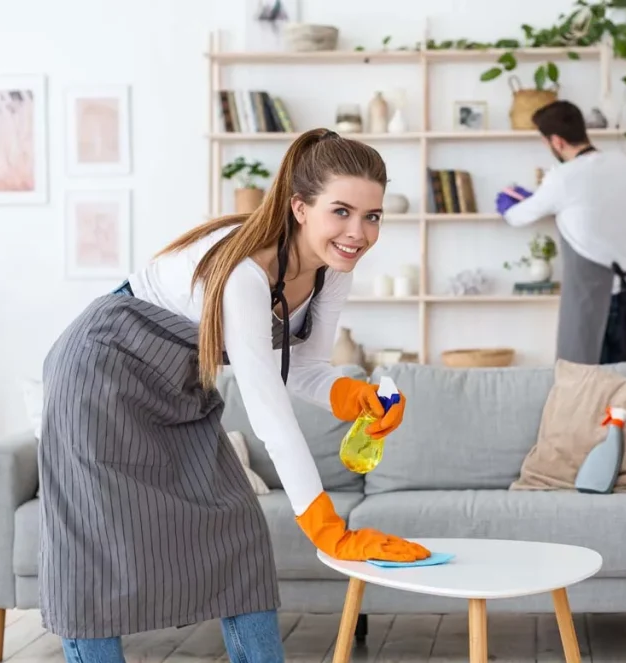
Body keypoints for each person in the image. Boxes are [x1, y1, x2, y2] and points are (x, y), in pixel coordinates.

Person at [37, 127, 430, 663]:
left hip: (177, 382)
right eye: (341, 212)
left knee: (238, 529)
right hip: (101, 371)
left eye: (372, 216)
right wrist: (326, 529)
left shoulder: (330, 271)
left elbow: (303, 367)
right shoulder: (244, 274)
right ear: (299, 207)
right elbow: (269, 412)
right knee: (95, 552)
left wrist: (351, 395)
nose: (357, 232)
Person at [496, 100, 626, 365]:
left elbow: (517, 217)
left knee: (579, 386)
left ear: (557, 142)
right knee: (625, 387)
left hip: (588, 302)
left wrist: (508, 202)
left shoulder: (563, 178)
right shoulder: (625, 165)